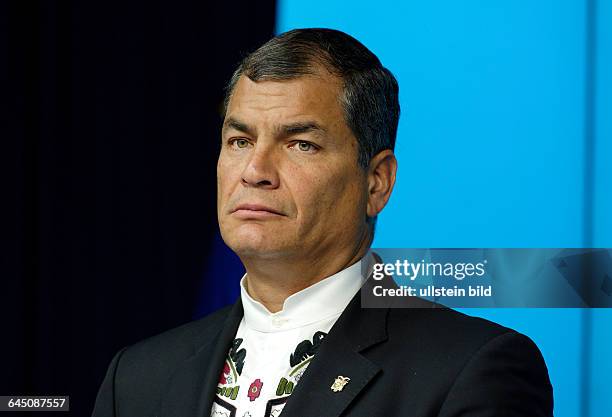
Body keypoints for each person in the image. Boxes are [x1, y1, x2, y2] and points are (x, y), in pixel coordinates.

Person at [92, 28, 553, 417]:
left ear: (377, 182)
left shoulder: (470, 369)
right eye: (239, 140)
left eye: (300, 144)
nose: (255, 171)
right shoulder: (135, 378)